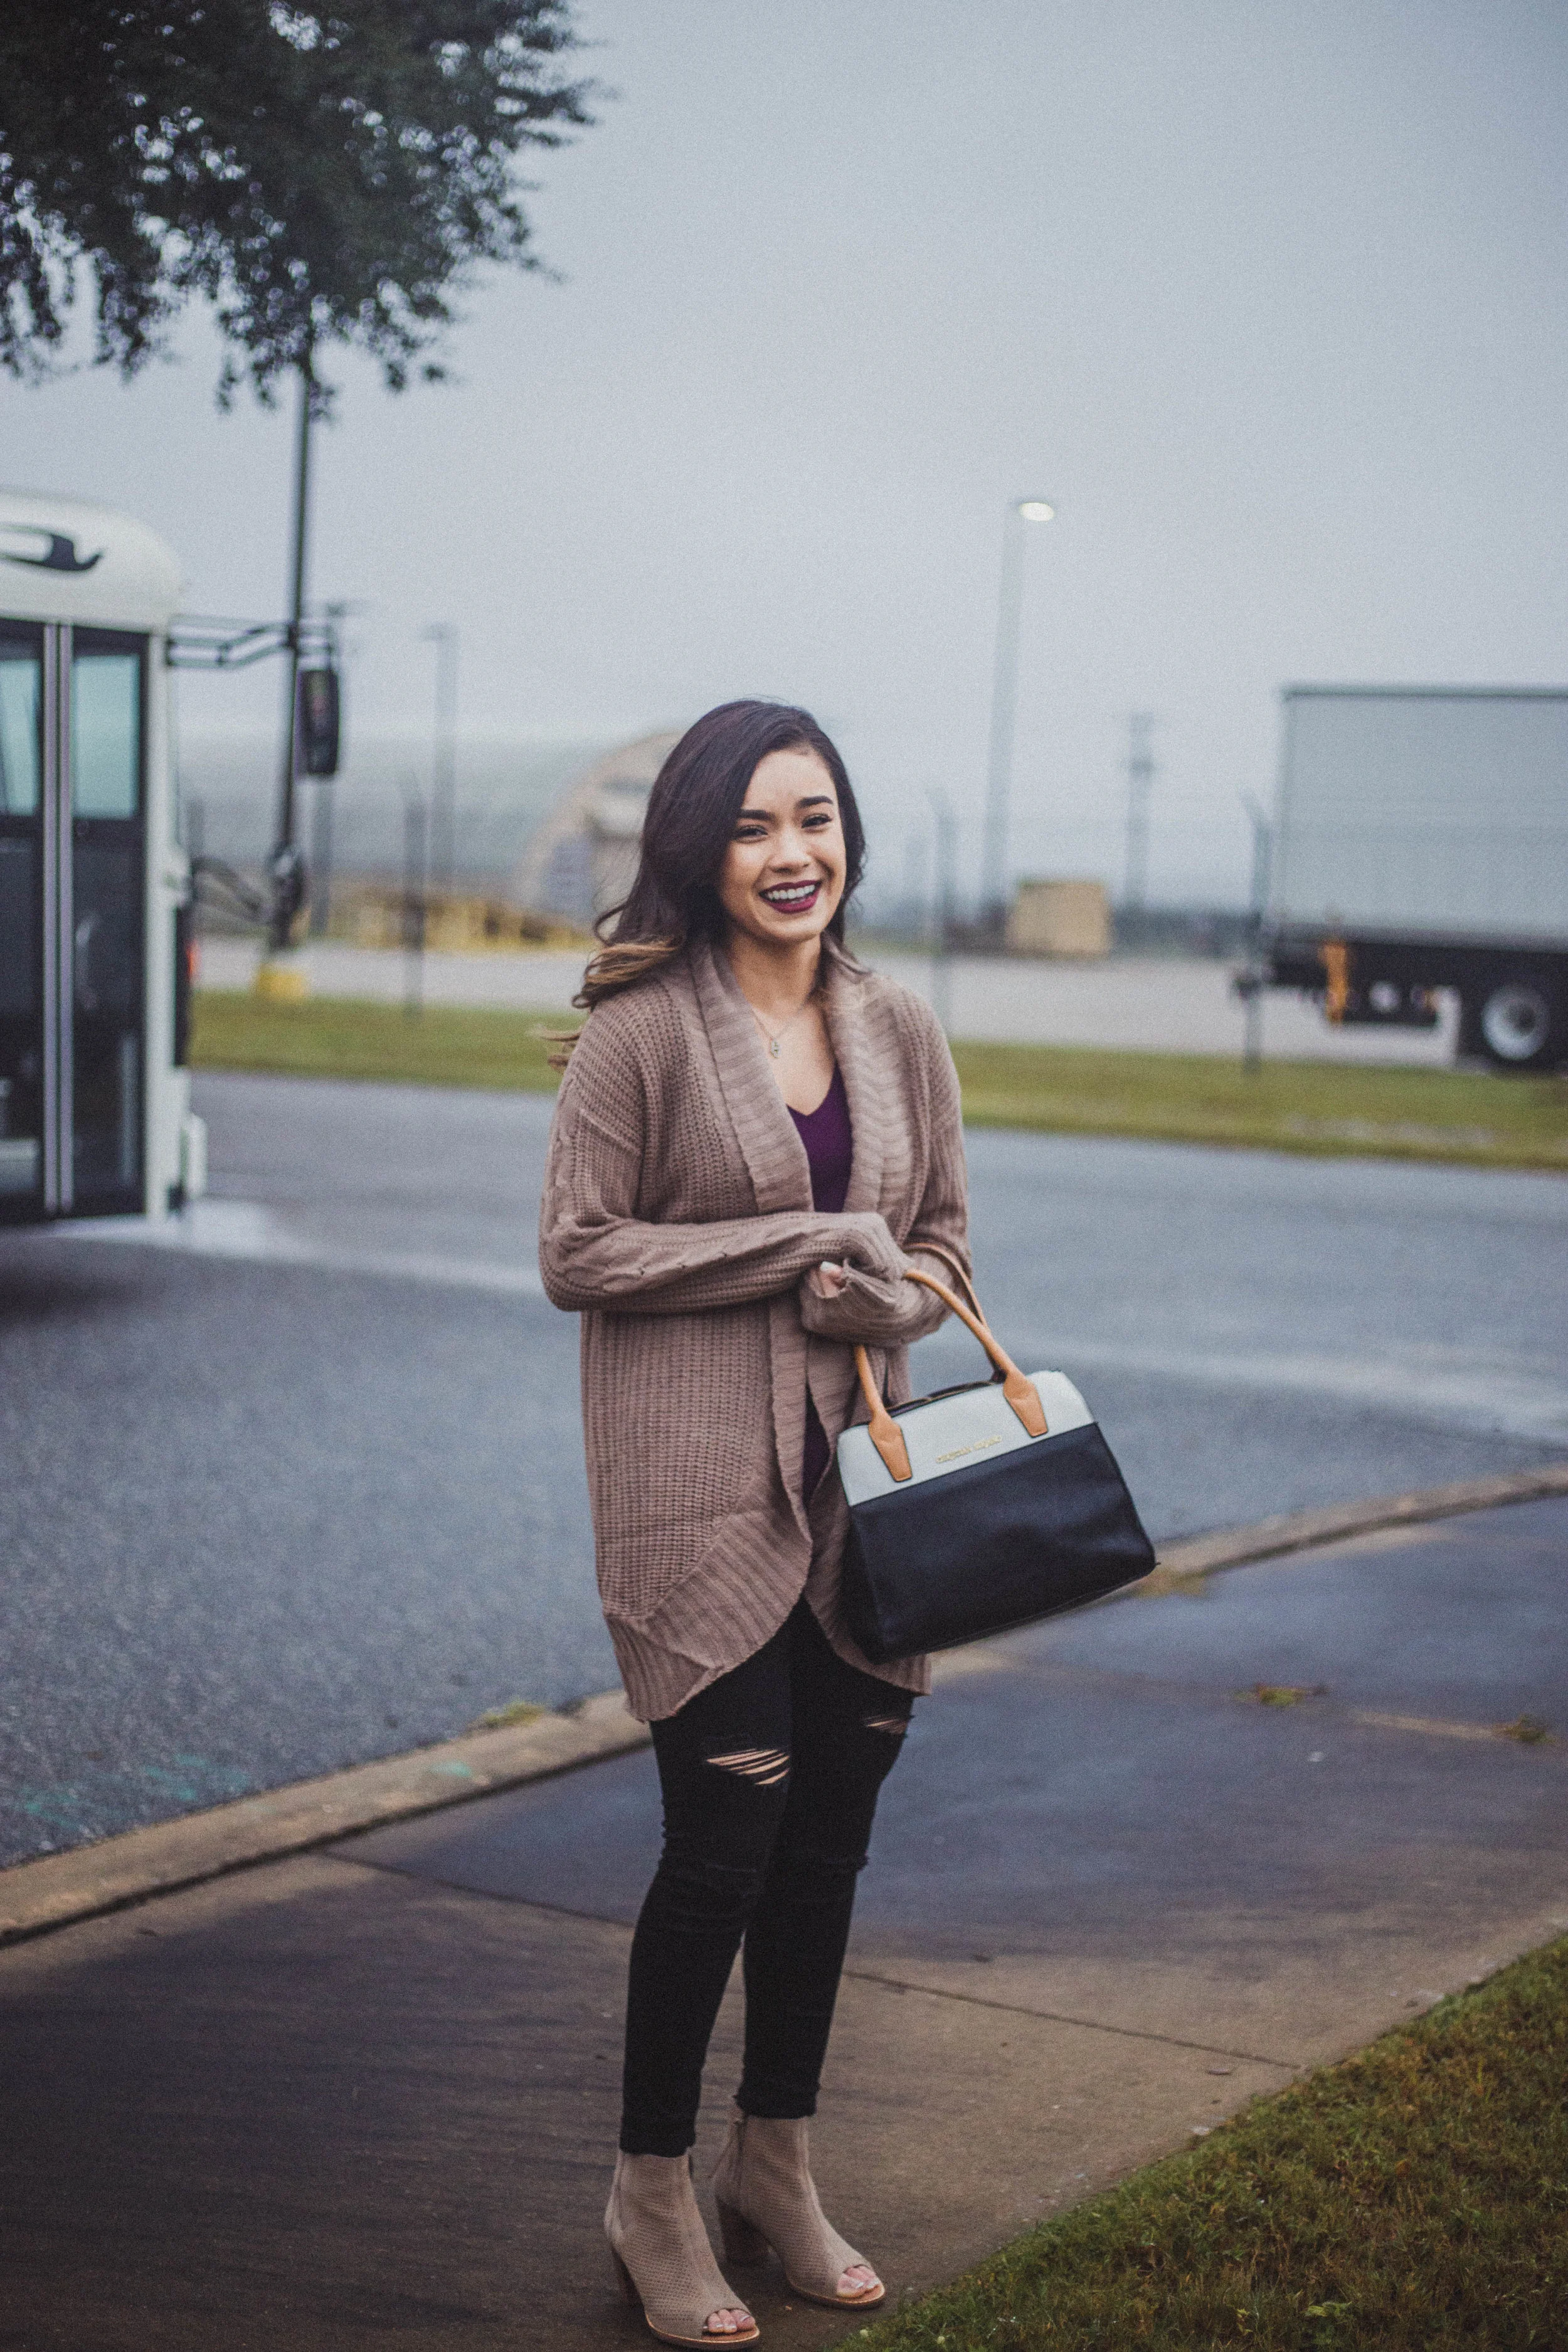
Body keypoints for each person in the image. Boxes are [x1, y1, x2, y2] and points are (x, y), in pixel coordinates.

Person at [539, 700, 972, 2346]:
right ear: (698, 849)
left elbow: (939, 1250)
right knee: (722, 1841)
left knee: (829, 1842)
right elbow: (577, 1249)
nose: (791, 854)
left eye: (815, 819)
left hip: (863, 1496)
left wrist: (893, 1284)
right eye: (752, 826)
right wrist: (795, 1254)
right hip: (695, 1495)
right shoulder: (639, 1029)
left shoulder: (899, 1023)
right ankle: (651, 2184)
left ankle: (771, 2164)